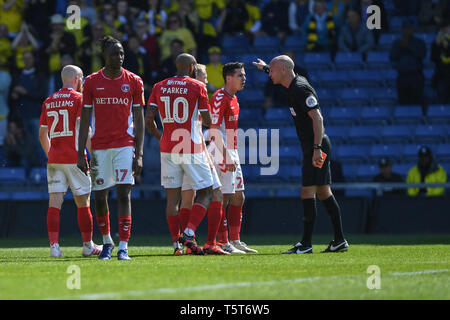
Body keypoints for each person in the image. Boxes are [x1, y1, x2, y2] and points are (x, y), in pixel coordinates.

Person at [253, 55, 348, 254]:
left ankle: (306, 244)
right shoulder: (293, 82)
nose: (269, 73)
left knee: (308, 192)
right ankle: (339, 240)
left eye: (271, 70)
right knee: (323, 192)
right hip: (314, 145)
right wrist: (264, 68)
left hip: (316, 145)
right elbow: (281, 71)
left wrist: (316, 148)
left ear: (284, 70)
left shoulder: (300, 88)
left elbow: (318, 118)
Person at [77, 36, 145, 261]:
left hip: (125, 145)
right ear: (104, 56)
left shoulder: (134, 81)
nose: (119, 57)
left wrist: (140, 152)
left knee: (124, 193)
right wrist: (81, 153)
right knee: (99, 196)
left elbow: (139, 117)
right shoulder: (91, 81)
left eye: (122, 53)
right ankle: (107, 242)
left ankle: (124, 247)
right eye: (115, 53)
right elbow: (85, 118)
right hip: (99, 147)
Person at [145, 53, 213, 255]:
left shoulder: (159, 86)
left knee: (172, 199)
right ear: (192, 67)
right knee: (206, 191)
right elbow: (208, 120)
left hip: (168, 147)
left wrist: (160, 137)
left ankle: (176, 245)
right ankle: (190, 232)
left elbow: (149, 118)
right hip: (191, 147)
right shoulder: (197, 86)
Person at [39, 65, 102, 258]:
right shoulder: (79, 99)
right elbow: (87, 132)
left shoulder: (49, 101)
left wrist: (52, 154)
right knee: (83, 203)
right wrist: (96, 159)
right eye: (82, 78)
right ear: (77, 78)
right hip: (76, 159)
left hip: (55, 159)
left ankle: (54, 248)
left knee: (54, 203)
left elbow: (42, 135)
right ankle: (87, 245)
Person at [178, 63, 228, 255]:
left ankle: (188, 244)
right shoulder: (198, 94)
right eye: (204, 76)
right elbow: (204, 126)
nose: (207, 80)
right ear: (195, 75)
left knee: (188, 198)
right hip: (194, 151)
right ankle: (206, 241)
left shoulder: (183, 94)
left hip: (180, 150)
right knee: (215, 193)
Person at [209, 62, 257, 254]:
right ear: (229, 78)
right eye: (240, 75)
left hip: (232, 150)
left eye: (244, 75)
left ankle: (235, 240)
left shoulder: (234, 99)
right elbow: (213, 130)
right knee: (224, 197)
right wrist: (225, 154)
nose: (244, 78)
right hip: (221, 151)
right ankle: (222, 241)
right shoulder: (220, 97)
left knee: (238, 196)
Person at [389, 19, 427, 106]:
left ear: (413, 30)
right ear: (402, 30)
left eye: (409, 28)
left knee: (417, 103)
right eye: (405, 28)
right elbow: (392, 57)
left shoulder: (419, 42)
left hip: (416, 77)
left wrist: (409, 47)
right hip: (402, 77)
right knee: (403, 103)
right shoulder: (397, 43)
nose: (407, 31)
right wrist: (401, 47)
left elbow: (422, 55)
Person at [430, 21, 450, 104]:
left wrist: (447, 47)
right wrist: (437, 45)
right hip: (441, 76)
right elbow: (433, 58)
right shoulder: (437, 42)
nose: (445, 30)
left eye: (447, 27)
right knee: (442, 101)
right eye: (443, 28)